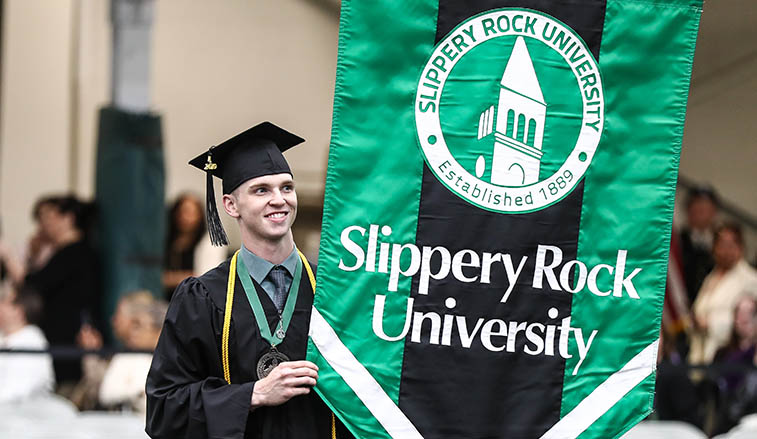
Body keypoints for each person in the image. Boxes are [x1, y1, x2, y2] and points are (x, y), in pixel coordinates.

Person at [146, 122, 349, 438]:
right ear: (230, 205)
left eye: (286, 187)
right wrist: (253, 395)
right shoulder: (204, 298)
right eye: (261, 190)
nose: (279, 199)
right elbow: (164, 409)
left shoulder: (334, 291)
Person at [21, 195, 99, 383]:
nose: (43, 224)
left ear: (68, 218)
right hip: (57, 334)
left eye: (48, 216)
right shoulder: (58, 252)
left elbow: (35, 285)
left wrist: (8, 257)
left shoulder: (76, 252)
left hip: (69, 336)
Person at [690, 222, 757, 365]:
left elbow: (750, 322)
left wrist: (710, 324)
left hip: (730, 355)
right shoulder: (711, 276)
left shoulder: (750, 279)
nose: (725, 250)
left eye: (730, 244)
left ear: (741, 247)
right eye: (721, 244)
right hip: (699, 352)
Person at [163, 193, 226, 299]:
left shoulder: (210, 242)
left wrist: (172, 278)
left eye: (191, 213)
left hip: (195, 299)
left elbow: (207, 276)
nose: (186, 217)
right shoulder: (168, 240)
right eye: (182, 212)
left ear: (199, 215)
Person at [0, 283, 55, 403]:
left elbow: (18, 390)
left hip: (23, 417)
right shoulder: (2, 338)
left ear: (18, 311)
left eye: (4, 301)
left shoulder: (33, 341)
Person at [680, 186, 718, 305]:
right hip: (682, 304)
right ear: (688, 210)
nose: (701, 210)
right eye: (697, 205)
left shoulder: (720, 243)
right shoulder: (678, 241)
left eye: (706, 206)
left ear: (714, 212)